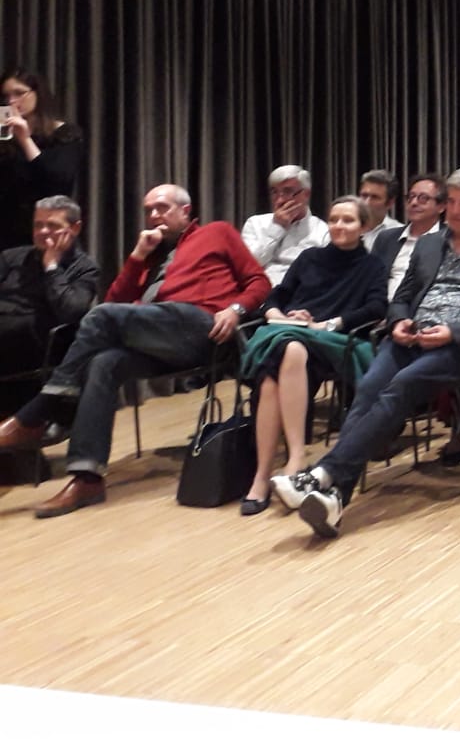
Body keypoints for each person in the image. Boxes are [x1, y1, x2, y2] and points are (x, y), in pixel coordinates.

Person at [272, 168, 460, 539]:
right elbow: (403, 295)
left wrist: (454, 332)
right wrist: (399, 320)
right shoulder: (429, 244)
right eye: (451, 201)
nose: (455, 210)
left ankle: (322, 474)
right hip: (410, 337)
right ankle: (335, 496)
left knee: (402, 384)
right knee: (368, 389)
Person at [0, 184, 270, 516]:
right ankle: (87, 478)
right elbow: (115, 302)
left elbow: (259, 282)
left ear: (185, 211)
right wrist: (138, 256)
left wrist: (235, 310)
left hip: (203, 327)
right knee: (104, 363)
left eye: (162, 208)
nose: (154, 215)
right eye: (148, 210)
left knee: (102, 316)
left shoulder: (217, 232)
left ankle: (37, 413)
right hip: (161, 340)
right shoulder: (150, 254)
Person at [236, 195, 387, 515]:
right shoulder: (309, 257)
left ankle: (272, 471)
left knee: (281, 358)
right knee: (282, 359)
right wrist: (282, 316)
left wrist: (326, 324)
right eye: (333, 219)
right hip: (290, 334)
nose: (338, 225)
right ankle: (283, 464)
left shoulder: (372, 265)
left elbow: (376, 308)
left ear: (364, 227)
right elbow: (276, 296)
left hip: (335, 341)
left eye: (348, 220)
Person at [0, 197, 101, 415]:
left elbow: (71, 312)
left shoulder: (85, 268)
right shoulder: (11, 257)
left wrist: (52, 266)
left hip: (37, 340)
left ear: (75, 228)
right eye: (38, 225)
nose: (43, 231)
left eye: (52, 225)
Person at [0, 69, 87, 252]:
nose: (11, 101)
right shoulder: (4, 138)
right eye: (5, 96)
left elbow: (57, 185)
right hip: (6, 230)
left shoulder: (65, 134)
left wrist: (25, 139)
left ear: (37, 94)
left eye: (19, 93)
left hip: (45, 230)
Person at [241, 165, 330, 285]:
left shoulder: (323, 230)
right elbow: (248, 266)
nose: (280, 200)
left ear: (306, 194)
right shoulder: (255, 223)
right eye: (274, 192)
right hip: (262, 288)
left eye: (288, 192)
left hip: (303, 291)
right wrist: (277, 227)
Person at [370, 174, 444, 298]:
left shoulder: (448, 240)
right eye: (411, 197)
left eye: (423, 198)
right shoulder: (386, 238)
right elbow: (371, 281)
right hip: (381, 306)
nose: (414, 203)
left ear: (441, 206)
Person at [357, 169, 402, 248]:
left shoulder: (399, 234)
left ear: (390, 203)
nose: (366, 202)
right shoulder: (343, 227)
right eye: (364, 195)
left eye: (375, 197)